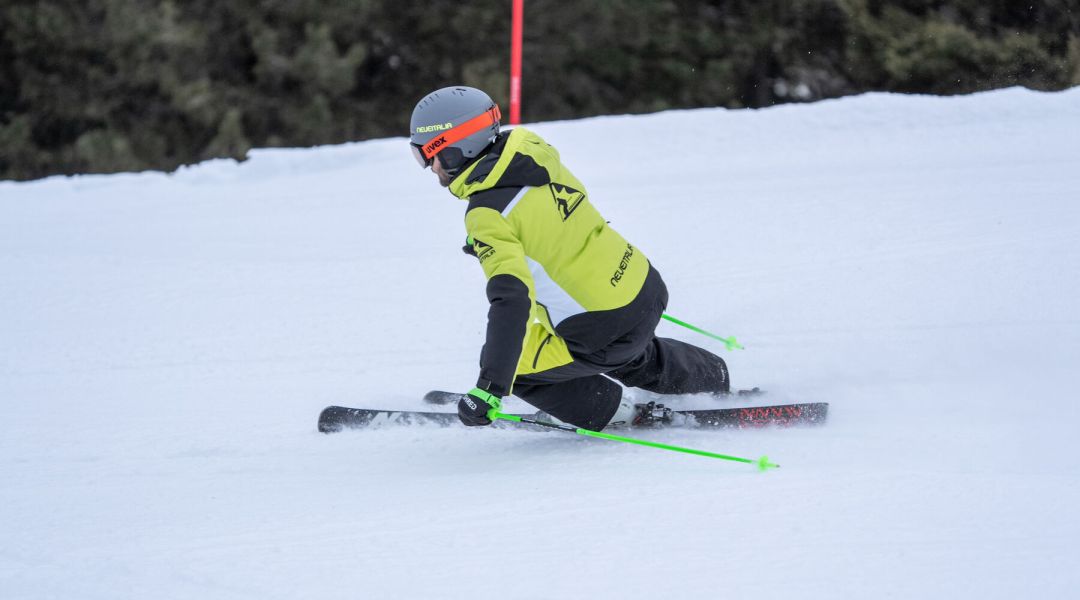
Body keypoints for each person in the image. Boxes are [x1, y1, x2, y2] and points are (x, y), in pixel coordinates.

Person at [409, 85, 730, 431]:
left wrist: (491, 388)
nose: (430, 167)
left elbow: (511, 302)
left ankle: (617, 412)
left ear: (458, 148)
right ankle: (714, 376)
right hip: (643, 286)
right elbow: (556, 220)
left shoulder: (486, 214)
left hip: (603, 328)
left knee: (517, 368)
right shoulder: (531, 153)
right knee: (629, 352)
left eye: (427, 154)